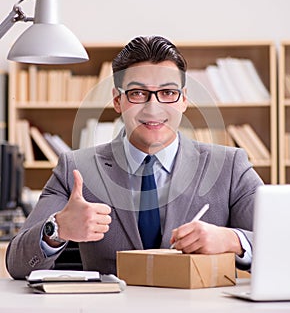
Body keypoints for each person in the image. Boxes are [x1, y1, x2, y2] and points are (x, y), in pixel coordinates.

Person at [6, 35, 263, 279]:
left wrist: (233, 241)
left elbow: (286, 244)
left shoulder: (230, 167)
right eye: (138, 93)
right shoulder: (75, 168)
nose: (153, 108)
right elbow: (17, 264)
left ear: (183, 100)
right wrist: (57, 229)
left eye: (167, 93)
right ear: (118, 101)